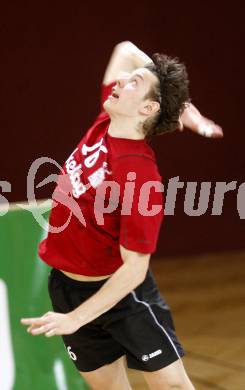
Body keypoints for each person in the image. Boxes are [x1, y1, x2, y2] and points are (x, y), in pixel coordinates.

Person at [21, 41, 223, 390]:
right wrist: (185, 107)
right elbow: (125, 49)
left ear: (147, 108)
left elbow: (134, 270)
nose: (121, 81)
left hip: (122, 296)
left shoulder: (139, 175)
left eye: (134, 83)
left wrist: (75, 320)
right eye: (128, 78)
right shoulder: (105, 122)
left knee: (173, 386)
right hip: (67, 287)